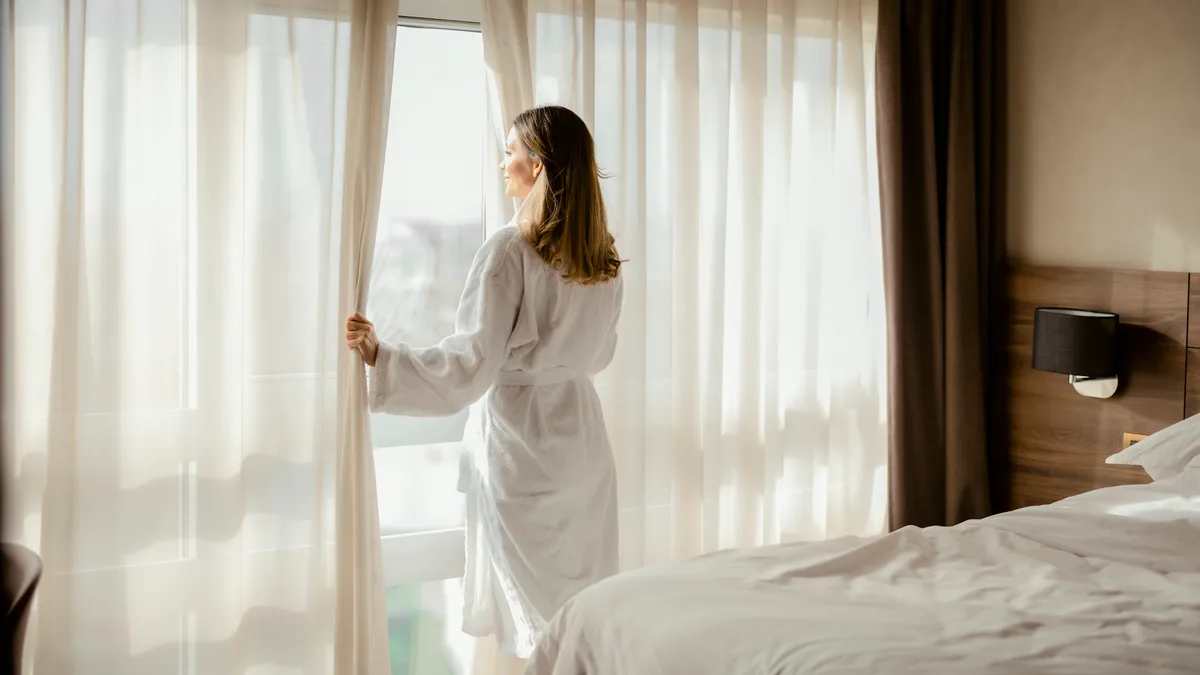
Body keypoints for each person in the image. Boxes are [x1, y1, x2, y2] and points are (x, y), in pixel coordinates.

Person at [345, 105, 623, 662]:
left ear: (537, 165)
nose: (503, 165)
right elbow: (603, 352)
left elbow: (470, 365)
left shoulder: (509, 252)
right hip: (585, 450)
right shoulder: (603, 258)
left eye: (510, 152)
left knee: (542, 631)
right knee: (582, 623)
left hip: (525, 450)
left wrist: (384, 358)